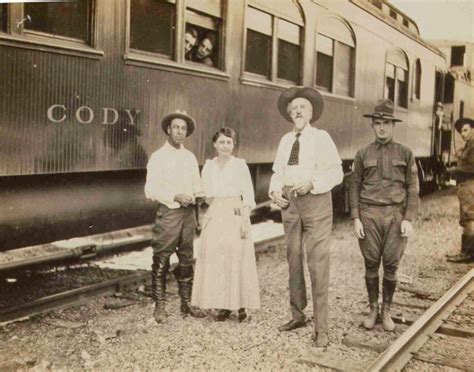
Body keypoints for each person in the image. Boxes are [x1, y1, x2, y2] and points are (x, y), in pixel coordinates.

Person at [269, 86, 343, 348]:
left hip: (316, 202)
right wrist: (274, 191)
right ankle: (297, 314)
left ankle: (322, 328)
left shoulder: (321, 138)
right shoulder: (285, 141)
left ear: (311, 113)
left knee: (317, 262)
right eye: (294, 108)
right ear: (289, 113)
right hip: (290, 204)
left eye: (303, 107)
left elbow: (336, 173)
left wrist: (312, 184)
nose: (298, 111)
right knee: (293, 259)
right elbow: (278, 172)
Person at [350, 99, 419, 332]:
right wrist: (356, 218)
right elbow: (354, 186)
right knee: (371, 263)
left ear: (393, 125)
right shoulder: (362, 154)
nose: (381, 127)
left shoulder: (406, 153)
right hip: (369, 214)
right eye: (377, 123)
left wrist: (408, 218)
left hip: (396, 216)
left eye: (386, 123)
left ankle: (386, 311)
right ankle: (373, 309)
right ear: (372, 125)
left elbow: (413, 188)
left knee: (391, 265)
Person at [191, 127, 260, 321]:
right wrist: (211, 204)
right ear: (215, 144)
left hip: (235, 213)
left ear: (233, 145)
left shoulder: (240, 165)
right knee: (218, 259)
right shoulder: (209, 166)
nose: (225, 146)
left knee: (237, 258)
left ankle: (241, 306)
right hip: (216, 213)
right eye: (222, 142)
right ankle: (224, 305)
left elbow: (248, 194)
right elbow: (204, 194)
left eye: (229, 142)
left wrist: (245, 219)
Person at [144, 110, 206, 324]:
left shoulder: (189, 157)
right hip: (169, 213)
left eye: (183, 129)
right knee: (162, 259)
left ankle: (186, 303)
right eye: (176, 127)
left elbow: (197, 184)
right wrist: (175, 196)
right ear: (168, 130)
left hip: (188, 214)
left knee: (187, 259)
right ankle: (159, 306)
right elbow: (150, 189)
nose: (180, 131)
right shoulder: (158, 157)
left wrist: (200, 195)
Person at [446, 118, 474, 263]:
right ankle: (468, 252)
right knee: (468, 217)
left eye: (465, 130)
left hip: (468, 185)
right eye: (461, 131)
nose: (462, 134)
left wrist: (453, 170)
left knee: (468, 218)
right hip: (467, 185)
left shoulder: (472, 145)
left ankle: (468, 253)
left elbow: (470, 168)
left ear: (473, 129)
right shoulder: (469, 145)